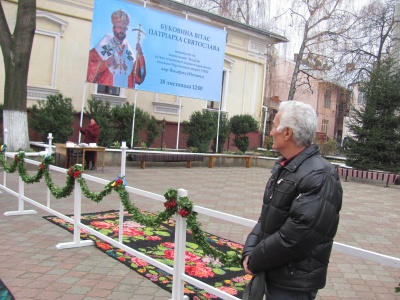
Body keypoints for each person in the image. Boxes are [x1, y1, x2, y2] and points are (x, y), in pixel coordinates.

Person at [242, 100, 342, 299]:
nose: (270, 132)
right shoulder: (286, 167)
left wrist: (255, 260)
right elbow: (266, 217)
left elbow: (297, 235)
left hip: (293, 282)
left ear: (287, 133)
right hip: (274, 270)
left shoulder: (320, 174)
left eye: (274, 126)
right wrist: (249, 251)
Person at [86, 9, 146, 88]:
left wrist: (140, 54)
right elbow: (88, 67)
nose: (122, 30)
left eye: (124, 29)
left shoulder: (129, 52)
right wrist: (105, 64)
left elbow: (139, 78)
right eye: (119, 27)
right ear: (113, 29)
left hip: (124, 95)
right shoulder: (103, 45)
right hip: (103, 93)